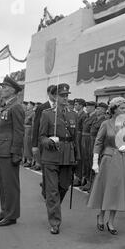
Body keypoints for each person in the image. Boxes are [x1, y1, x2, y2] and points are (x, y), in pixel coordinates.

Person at [88, 97, 125, 235]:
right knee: (107, 189)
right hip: (108, 159)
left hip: (122, 160)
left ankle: (111, 221)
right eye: (122, 108)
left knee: (116, 191)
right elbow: (98, 142)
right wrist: (95, 161)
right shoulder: (106, 123)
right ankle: (101, 216)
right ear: (114, 109)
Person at [39, 84, 79, 234]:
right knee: (53, 190)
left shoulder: (73, 114)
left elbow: (76, 138)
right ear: (55, 97)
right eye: (62, 96)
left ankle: (52, 204)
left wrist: (78, 156)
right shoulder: (47, 114)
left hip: (68, 155)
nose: (65, 98)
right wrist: (48, 142)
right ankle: (55, 222)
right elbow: (41, 136)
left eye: (67, 95)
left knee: (64, 186)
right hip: (51, 155)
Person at [0, 76, 25, 227]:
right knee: (3, 184)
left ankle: (11, 215)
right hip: (1, 151)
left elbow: (19, 131)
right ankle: (5, 212)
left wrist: (16, 153)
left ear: (12, 91)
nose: (1, 90)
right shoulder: (6, 107)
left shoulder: (16, 107)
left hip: (9, 152)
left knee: (10, 185)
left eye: (4, 88)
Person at [80, 101, 98, 192]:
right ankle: (86, 180)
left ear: (93, 107)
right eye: (86, 107)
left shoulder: (95, 117)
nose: (86, 108)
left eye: (88, 107)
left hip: (90, 140)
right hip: (85, 139)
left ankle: (90, 182)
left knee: (90, 160)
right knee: (85, 159)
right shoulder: (88, 116)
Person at [73, 98, 87, 187]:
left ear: (81, 105)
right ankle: (77, 176)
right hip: (76, 136)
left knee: (80, 158)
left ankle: (79, 177)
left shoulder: (84, 115)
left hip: (80, 137)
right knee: (76, 157)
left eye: (76, 104)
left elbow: (82, 129)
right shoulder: (77, 114)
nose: (75, 106)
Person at [23, 101, 35, 167]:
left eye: (29, 105)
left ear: (32, 106)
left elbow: (30, 122)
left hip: (29, 130)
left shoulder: (33, 113)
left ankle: (29, 160)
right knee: (25, 145)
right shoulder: (26, 113)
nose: (27, 106)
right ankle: (26, 159)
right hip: (25, 129)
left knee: (28, 145)